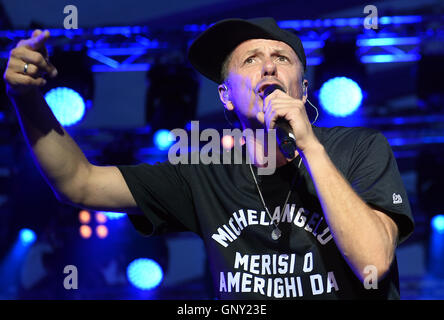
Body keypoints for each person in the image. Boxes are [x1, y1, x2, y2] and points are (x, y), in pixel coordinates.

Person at [4, 17, 414, 299]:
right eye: (250, 60)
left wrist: (309, 146)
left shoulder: (359, 149)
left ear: (303, 90)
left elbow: (373, 261)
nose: (268, 66)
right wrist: (26, 99)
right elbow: (78, 182)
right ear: (226, 97)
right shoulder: (202, 173)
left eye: (282, 58)